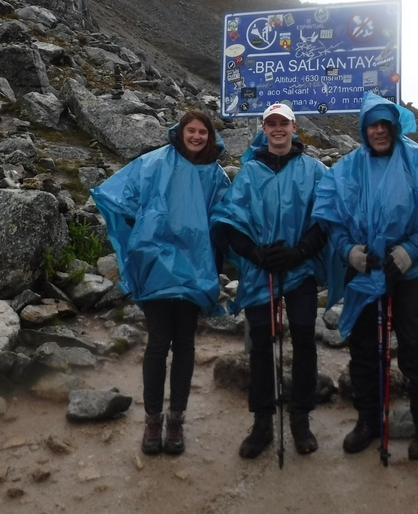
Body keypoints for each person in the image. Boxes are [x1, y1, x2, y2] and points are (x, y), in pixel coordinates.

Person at [313, 91, 418, 461]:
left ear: (394, 127)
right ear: (363, 130)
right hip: (366, 267)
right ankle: (367, 419)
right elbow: (331, 218)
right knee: (364, 345)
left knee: (415, 342)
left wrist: (410, 251)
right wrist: (349, 250)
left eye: (384, 125)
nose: (378, 131)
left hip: (410, 269)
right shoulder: (348, 167)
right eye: (371, 126)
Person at [91, 111, 229, 456]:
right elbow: (120, 195)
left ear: (209, 137)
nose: (196, 136)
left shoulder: (215, 174)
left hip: (193, 269)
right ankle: (154, 418)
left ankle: (175, 420)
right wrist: (143, 234)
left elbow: (226, 216)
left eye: (202, 132)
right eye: (191, 130)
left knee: (184, 344)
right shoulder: (153, 163)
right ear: (179, 132)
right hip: (156, 266)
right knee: (157, 343)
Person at [211, 103, 331, 459]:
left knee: (305, 338)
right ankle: (262, 420)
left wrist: (298, 253)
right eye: (271, 123)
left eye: (284, 123)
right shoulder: (248, 173)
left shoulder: (315, 171)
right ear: (263, 129)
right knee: (261, 343)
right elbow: (230, 222)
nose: (278, 129)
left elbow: (325, 219)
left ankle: (300, 417)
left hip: (302, 268)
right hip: (258, 270)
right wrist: (255, 253)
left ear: (294, 128)